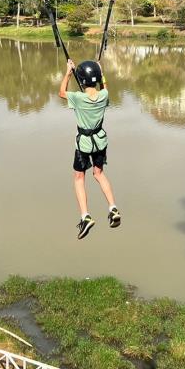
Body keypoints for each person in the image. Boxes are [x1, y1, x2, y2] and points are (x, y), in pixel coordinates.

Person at [58, 58, 121, 239]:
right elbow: (105, 88)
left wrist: (68, 73)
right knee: (99, 174)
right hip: (100, 142)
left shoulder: (78, 98)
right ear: (97, 78)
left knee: (79, 178)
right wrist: (101, 74)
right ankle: (113, 208)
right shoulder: (104, 96)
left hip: (84, 144)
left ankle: (85, 216)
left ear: (82, 81)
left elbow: (62, 92)